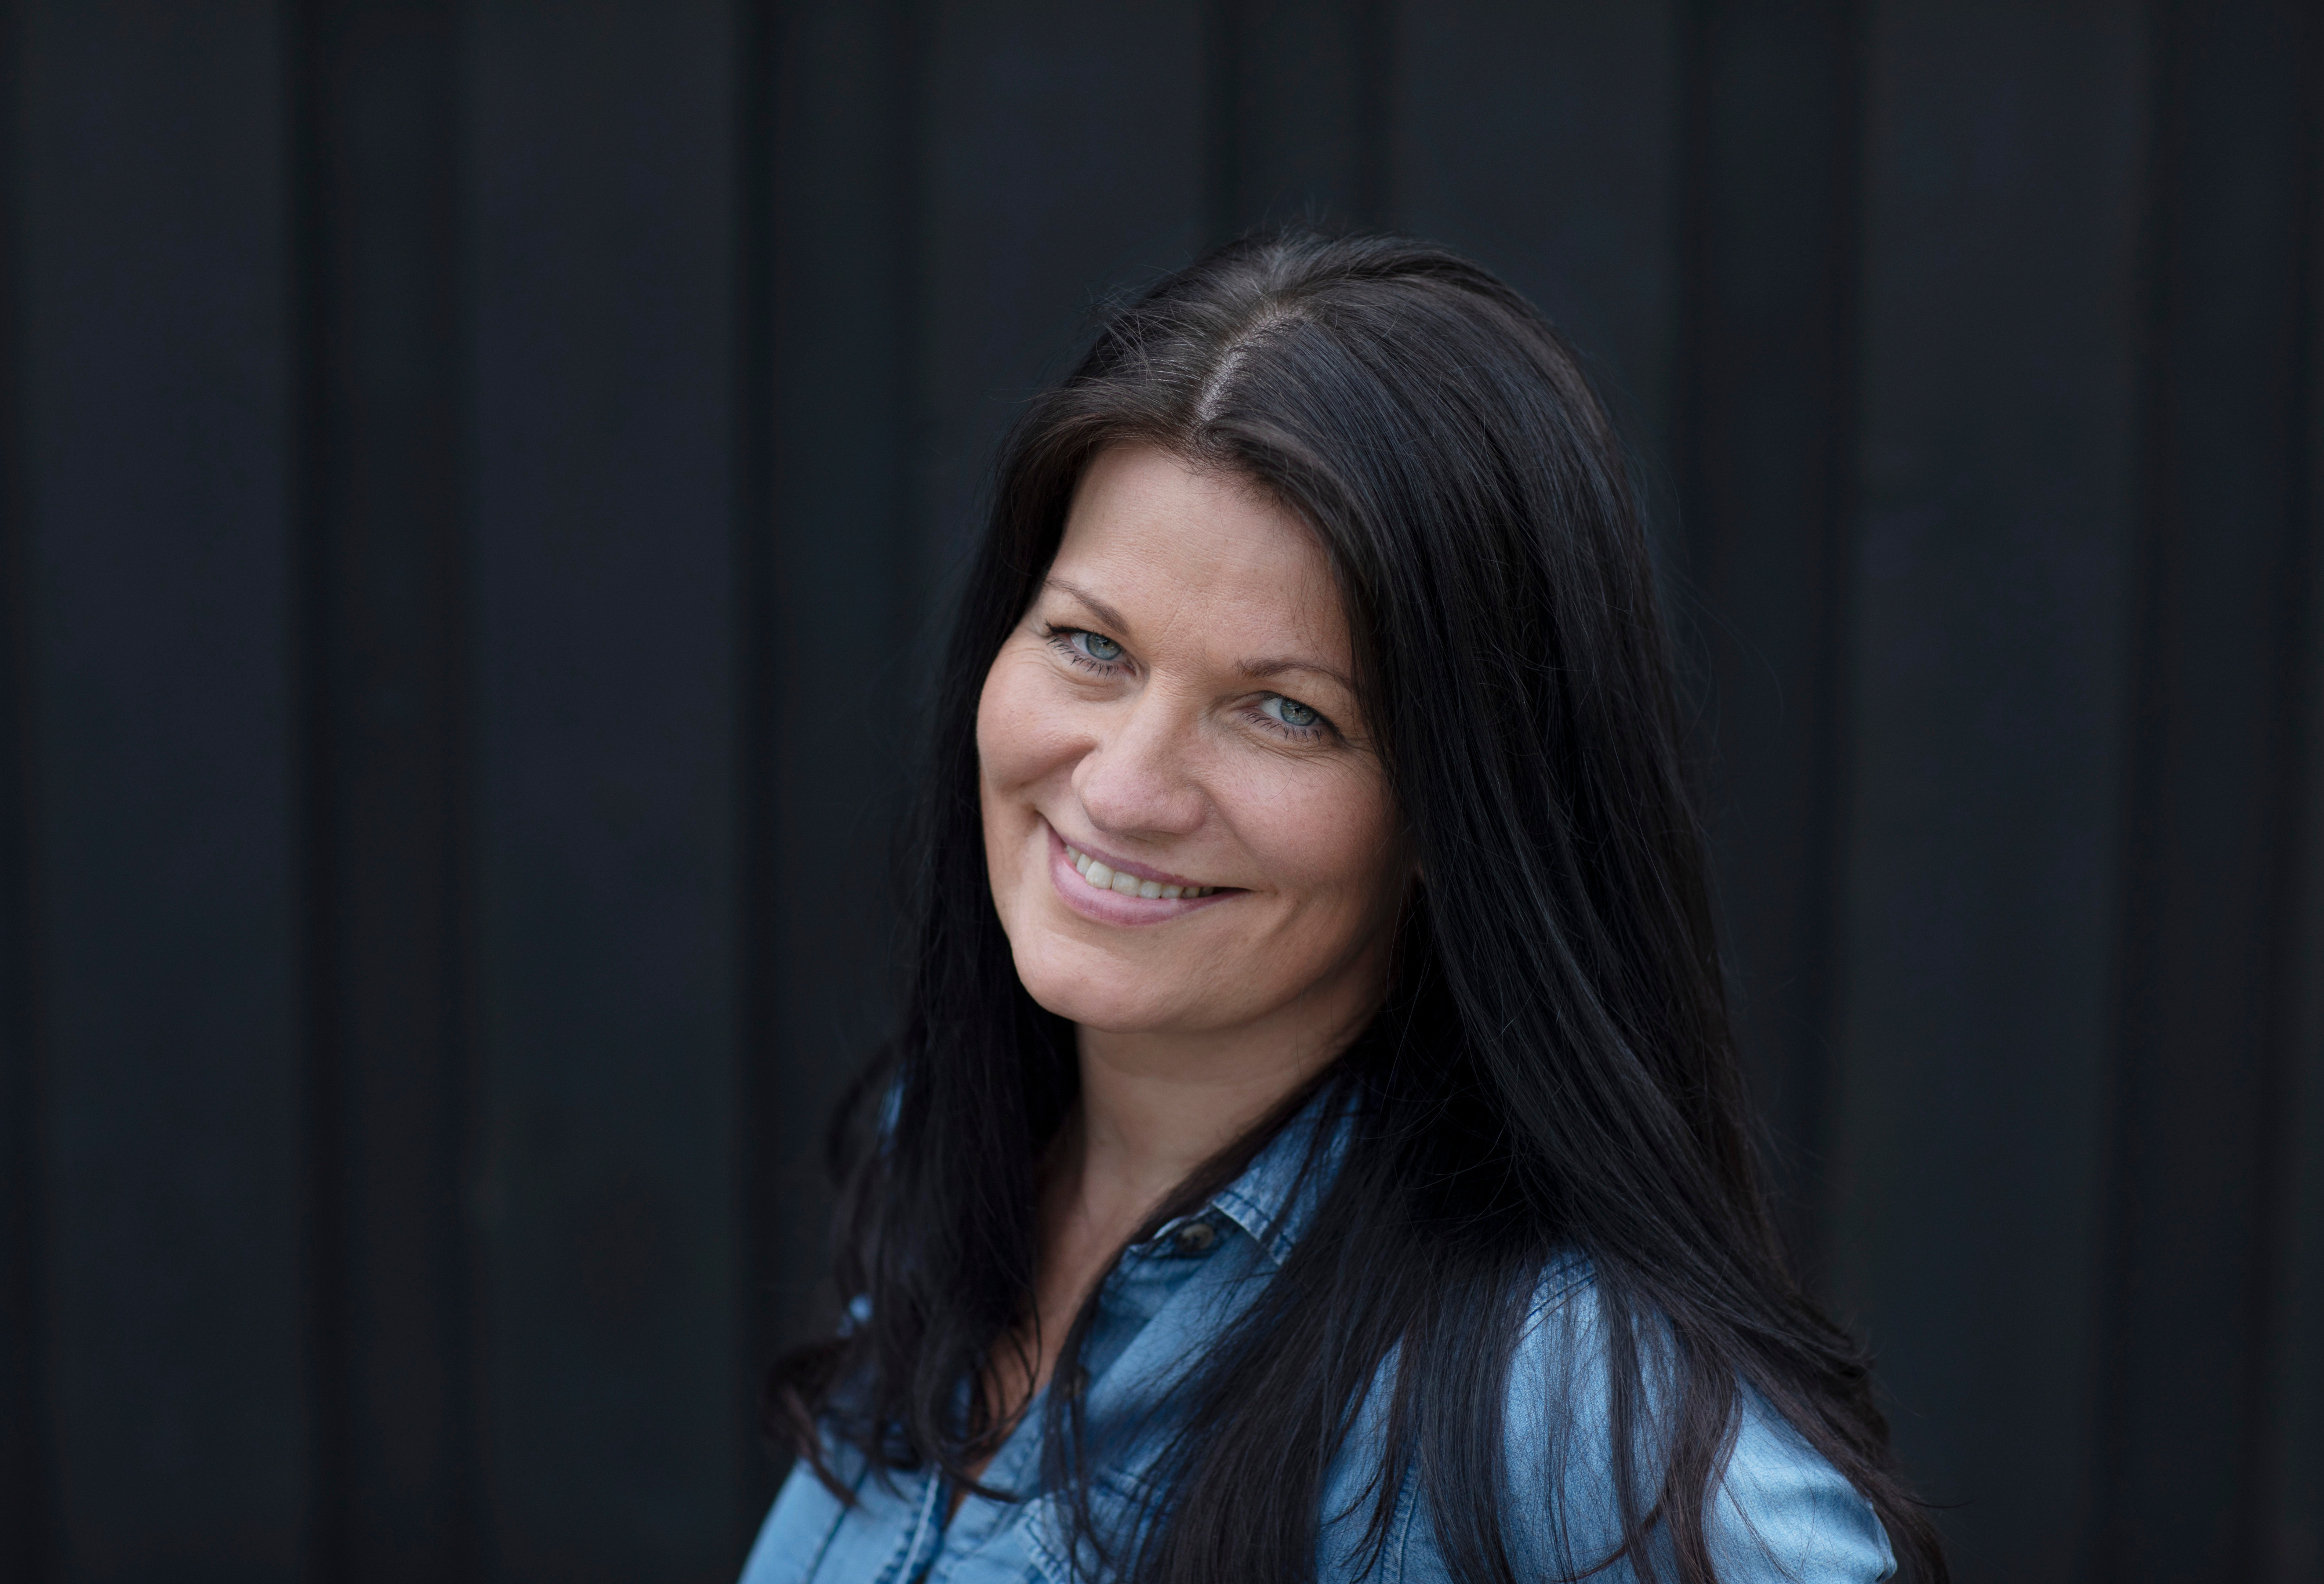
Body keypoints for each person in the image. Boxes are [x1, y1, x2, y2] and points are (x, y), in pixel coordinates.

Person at [742, 231, 1945, 1584]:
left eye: (1283, 712)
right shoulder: (956, 1167)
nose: (1126, 787)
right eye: (1091, 644)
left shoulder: (1547, 1407)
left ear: (1457, 806)